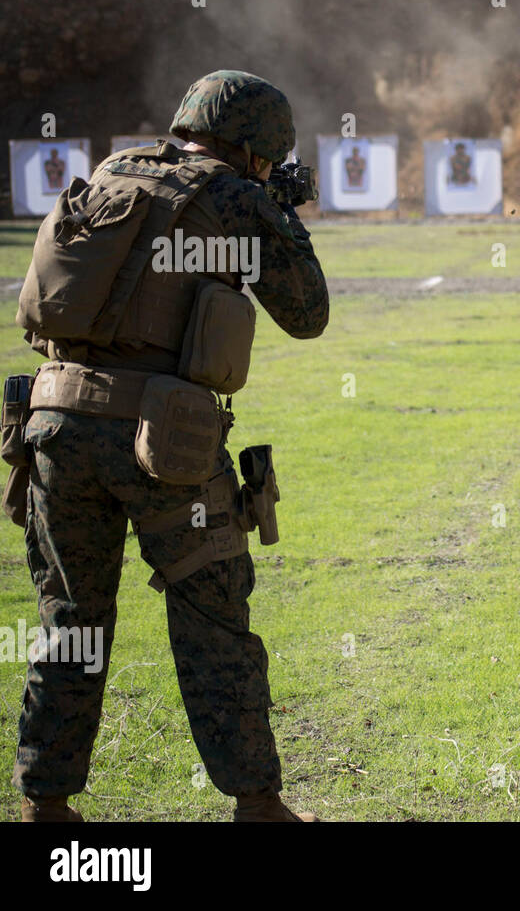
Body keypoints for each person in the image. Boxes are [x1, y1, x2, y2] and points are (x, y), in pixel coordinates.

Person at [10, 70, 329, 822]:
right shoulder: (238, 198)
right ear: (256, 146)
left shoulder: (115, 173)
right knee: (213, 617)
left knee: (70, 619)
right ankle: (258, 806)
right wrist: (281, 214)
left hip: (53, 423)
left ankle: (45, 807)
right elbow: (307, 313)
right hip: (163, 440)